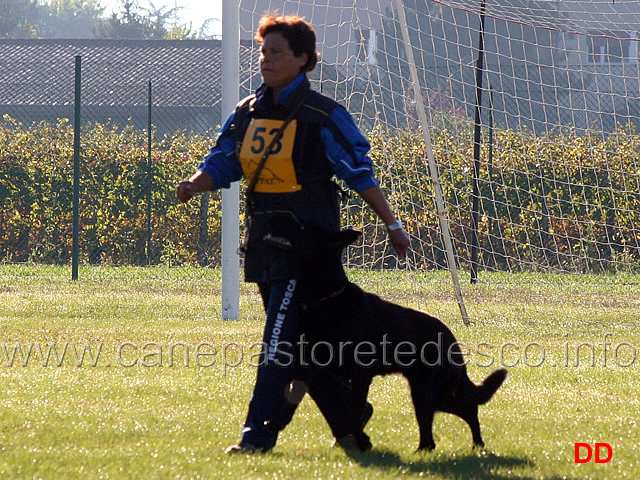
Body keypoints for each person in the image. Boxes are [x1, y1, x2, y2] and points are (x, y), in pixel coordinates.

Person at [177, 14, 410, 453]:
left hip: (307, 249)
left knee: (278, 342)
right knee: (300, 345)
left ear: (302, 59)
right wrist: (195, 183)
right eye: (263, 51)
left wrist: (392, 224)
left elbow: (358, 172)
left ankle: (257, 436)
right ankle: (348, 417)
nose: (265, 59)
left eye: (276, 52)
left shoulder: (325, 115)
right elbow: (223, 161)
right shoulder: (247, 112)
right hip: (264, 242)